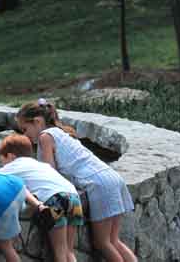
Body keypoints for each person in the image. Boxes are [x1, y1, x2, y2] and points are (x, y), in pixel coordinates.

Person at [16, 99, 138, 262]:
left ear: (37, 122)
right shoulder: (61, 132)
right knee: (114, 240)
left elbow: (48, 172)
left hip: (99, 185)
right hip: (112, 177)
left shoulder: (46, 137)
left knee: (103, 243)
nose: (24, 135)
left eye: (24, 129)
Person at [0, 134, 84, 262]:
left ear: (10, 156)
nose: (3, 164)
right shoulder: (41, 165)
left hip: (55, 199)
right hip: (74, 197)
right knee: (68, 251)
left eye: (2, 160)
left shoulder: (12, 166)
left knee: (59, 252)